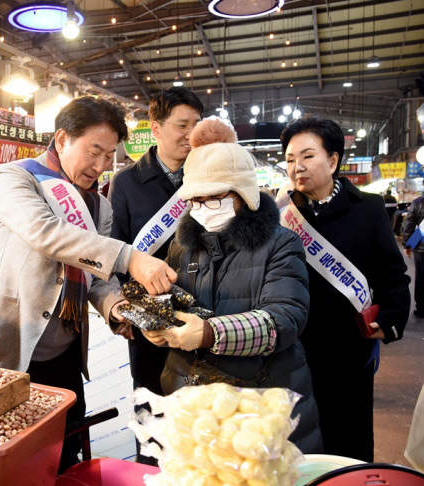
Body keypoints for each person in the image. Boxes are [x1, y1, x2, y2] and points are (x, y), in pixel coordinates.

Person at [0, 96, 177, 470]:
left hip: (63, 354)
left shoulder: (100, 206)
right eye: (95, 150)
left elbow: (95, 278)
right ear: (62, 139)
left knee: (60, 457)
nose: (101, 165)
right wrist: (130, 257)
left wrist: (117, 307)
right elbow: (46, 233)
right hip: (3, 347)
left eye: (109, 155)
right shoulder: (16, 177)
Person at [142, 117, 323, 453]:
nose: (203, 209)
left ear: (243, 192)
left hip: (260, 404)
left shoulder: (281, 244)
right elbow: (172, 304)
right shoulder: (182, 245)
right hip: (192, 403)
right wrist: (155, 325)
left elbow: (284, 319)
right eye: (195, 200)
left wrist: (209, 333)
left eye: (214, 198)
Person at [280, 114, 410, 461]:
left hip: (348, 349)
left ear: (333, 159)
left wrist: (391, 316)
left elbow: (391, 271)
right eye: (290, 159)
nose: (297, 167)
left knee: (349, 439)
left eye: (308, 156)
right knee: (296, 441)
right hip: (296, 348)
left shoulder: (367, 207)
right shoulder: (280, 213)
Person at [109, 87, 203, 464]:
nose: (190, 134)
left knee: (200, 415)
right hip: (150, 319)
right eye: (182, 125)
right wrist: (125, 313)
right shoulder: (127, 182)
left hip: (203, 316)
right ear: (156, 128)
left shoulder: (206, 174)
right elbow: (114, 249)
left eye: (197, 125)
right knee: (152, 409)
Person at [402, 193, 424, 318]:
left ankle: (421, 308)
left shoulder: (418, 203)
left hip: (421, 247)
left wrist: (407, 244)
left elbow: (409, 225)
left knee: (421, 278)